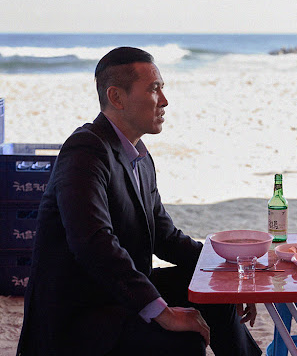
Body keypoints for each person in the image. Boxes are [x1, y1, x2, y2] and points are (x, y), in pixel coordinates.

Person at [17, 47, 262, 356]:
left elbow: (166, 238)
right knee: (183, 341)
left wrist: (231, 277)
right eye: (154, 89)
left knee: (212, 289)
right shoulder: (85, 151)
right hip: (81, 314)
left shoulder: (139, 156)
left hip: (117, 296)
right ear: (117, 97)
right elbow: (93, 242)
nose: (164, 100)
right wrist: (165, 314)